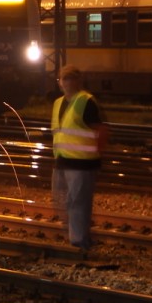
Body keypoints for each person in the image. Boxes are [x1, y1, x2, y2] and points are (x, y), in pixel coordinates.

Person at [51, 65, 108, 251]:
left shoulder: (86, 101)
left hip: (82, 163)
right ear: (59, 82)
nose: (66, 82)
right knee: (63, 201)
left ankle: (79, 243)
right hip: (62, 161)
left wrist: (98, 155)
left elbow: (101, 130)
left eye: (70, 78)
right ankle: (77, 236)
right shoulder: (58, 103)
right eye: (63, 79)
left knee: (77, 203)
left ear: (78, 81)